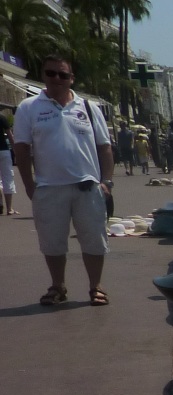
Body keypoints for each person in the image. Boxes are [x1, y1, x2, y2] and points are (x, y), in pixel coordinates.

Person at [11, 53, 114, 306]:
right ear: (43, 75)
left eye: (62, 74)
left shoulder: (88, 108)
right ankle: (58, 286)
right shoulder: (28, 107)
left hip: (88, 187)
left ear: (71, 78)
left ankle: (95, 286)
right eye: (50, 73)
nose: (56, 78)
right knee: (52, 242)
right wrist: (29, 185)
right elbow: (22, 149)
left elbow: (105, 148)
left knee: (94, 239)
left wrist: (106, 182)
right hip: (48, 188)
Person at [0, 105, 17, 215]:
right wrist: (16, 150)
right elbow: (10, 136)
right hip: (3, 150)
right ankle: (9, 208)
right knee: (7, 177)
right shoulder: (2, 118)